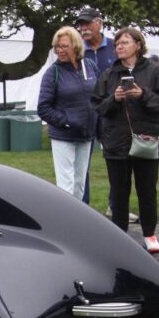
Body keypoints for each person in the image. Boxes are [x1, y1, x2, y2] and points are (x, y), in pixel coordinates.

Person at [91, 27, 159, 254]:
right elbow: (98, 106)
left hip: (146, 141)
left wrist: (142, 95)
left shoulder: (154, 71)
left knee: (147, 190)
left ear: (138, 45)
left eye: (125, 42)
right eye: (117, 43)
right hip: (116, 143)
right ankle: (120, 238)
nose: (119, 46)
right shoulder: (109, 74)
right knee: (119, 192)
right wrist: (114, 98)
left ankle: (150, 234)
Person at [75, 6, 133, 220]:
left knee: (118, 162)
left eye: (87, 23)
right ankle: (84, 209)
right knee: (82, 164)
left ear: (99, 23)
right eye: (80, 24)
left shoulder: (115, 48)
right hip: (88, 113)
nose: (83, 28)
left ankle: (116, 206)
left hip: (112, 113)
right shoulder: (78, 50)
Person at [36, 26, 98, 199]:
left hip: (86, 135)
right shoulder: (52, 73)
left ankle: (78, 223)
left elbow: (99, 94)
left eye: (64, 46)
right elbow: (43, 108)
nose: (59, 50)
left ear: (76, 46)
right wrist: (66, 121)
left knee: (80, 184)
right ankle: (65, 222)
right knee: (66, 185)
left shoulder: (90, 66)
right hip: (64, 136)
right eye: (57, 46)